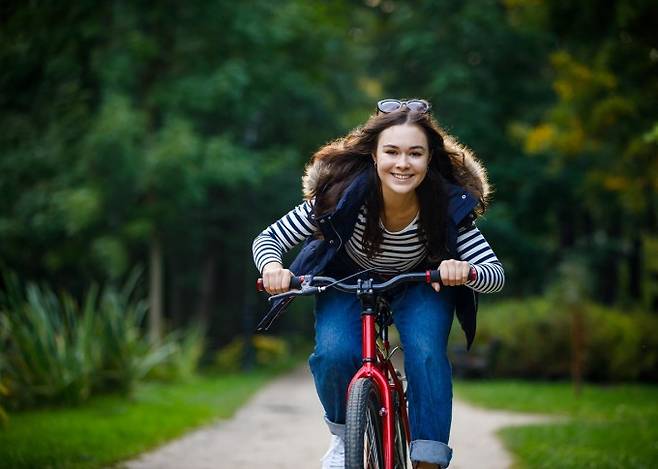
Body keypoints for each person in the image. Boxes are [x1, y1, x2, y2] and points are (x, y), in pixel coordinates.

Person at [252, 98, 504, 469]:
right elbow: (267, 239)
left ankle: (428, 459)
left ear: (429, 159)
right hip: (348, 280)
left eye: (415, 154)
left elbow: (494, 274)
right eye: (392, 152)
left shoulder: (447, 205)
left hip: (422, 282)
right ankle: (342, 436)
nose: (403, 164)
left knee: (426, 351)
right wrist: (273, 267)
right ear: (374, 155)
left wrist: (464, 271)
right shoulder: (338, 195)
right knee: (335, 352)